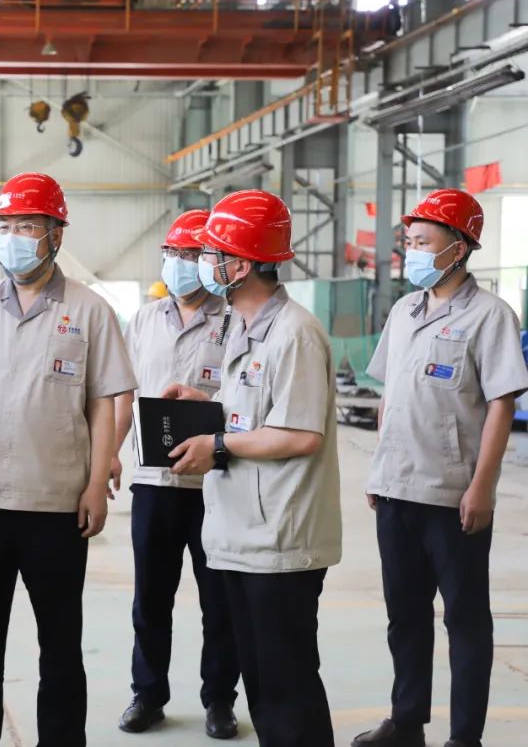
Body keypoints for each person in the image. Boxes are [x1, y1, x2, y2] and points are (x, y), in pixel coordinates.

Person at [0, 172, 137, 746]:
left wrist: (94, 484)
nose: (13, 238)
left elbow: (102, 403)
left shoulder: (90, 311)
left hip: (56, 506)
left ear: (55, 235)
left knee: (60, 641)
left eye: (26, 226)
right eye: (5, 226)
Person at [165, 189, 342, 747]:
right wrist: (205, 404)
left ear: (240, 266)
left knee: (287, 686)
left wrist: (218, 444)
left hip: (280, 538)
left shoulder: (294, 333)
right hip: (244, 533)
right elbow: (255, 413)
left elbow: (301, 433)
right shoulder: (243, 326)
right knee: (263, 686)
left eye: (210, 253)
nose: (202, 264)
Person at [352, 189, 528, 747]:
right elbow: (392, 393)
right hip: (396, 489)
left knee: (465, 619)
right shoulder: (404, 311)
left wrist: (483, 487)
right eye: (409, 241)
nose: (412, 251)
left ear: (459, 247)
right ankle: (407, 723)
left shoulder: (491, 316)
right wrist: (380, 467)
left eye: (423, 241)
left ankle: (465, 737)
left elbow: (501, 404)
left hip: (453, 496)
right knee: (404, 615)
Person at [112, 209, 240, 738]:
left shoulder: (233, 320)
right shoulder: (145, 320)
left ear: (210, 260)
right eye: (174, 253)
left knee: (220, 600)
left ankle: (220, 701)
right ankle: (147, 695)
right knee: (151, 598)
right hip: (154, 483)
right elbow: (124, 393)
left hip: (216, 482)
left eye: (192, 254)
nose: (181, 263)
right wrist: (109, 455)